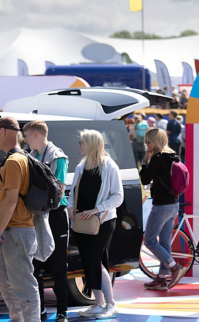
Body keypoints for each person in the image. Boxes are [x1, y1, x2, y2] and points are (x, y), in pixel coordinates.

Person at [0, 116, 41, 322]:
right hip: (12, 231)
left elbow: (11, 202)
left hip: (16, 230)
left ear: (2, 132)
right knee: (1, 279)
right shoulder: (21, 158)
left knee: (24, 285)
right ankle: (17, 317)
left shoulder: (13, 162)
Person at [68, 130, 124, 318]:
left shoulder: (109, 166)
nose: (79, 145)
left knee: (96, 261)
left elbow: (118, 196)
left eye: (81, 142)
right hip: (82, 222)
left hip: (102, 221)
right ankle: (98, 303)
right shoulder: (81, 167)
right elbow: (72, 192)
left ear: (90, 144)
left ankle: (110, 303)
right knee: (88, 261)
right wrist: (70, 208)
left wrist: (98, 209)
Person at [23, 120, 70, 322]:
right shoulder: (30, 156)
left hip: (55, 215)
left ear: (35, 134)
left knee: (59, 265)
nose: (24, 140)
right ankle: (40, 311)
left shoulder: (58, 157)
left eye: (25, 136)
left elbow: (58, 191)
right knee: (36, 264)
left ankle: (62, 313)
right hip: (38, 215)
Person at [140, 127, 184, 290]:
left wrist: (145, 160)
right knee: (165, 243)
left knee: (150, 240)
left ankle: (174, 268)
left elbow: (144, 179)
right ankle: (162, 277)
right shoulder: (174, 156)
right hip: (174, 203)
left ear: (155, 141)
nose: (145, 144)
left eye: (147, 141)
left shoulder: (157, 158)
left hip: (161, 205)